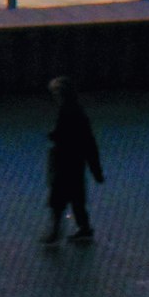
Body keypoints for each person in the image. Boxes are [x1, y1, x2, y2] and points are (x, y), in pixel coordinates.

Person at [42, 75, 101, 244]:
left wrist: (53, 135)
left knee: (58, 199)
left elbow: (63, 136)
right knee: (76, 197)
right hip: (75, 162)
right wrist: (96, 169)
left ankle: (55, 232)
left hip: (64, 161)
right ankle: (84, 228)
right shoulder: (77, 112)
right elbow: (89, 143)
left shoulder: (67, 113)